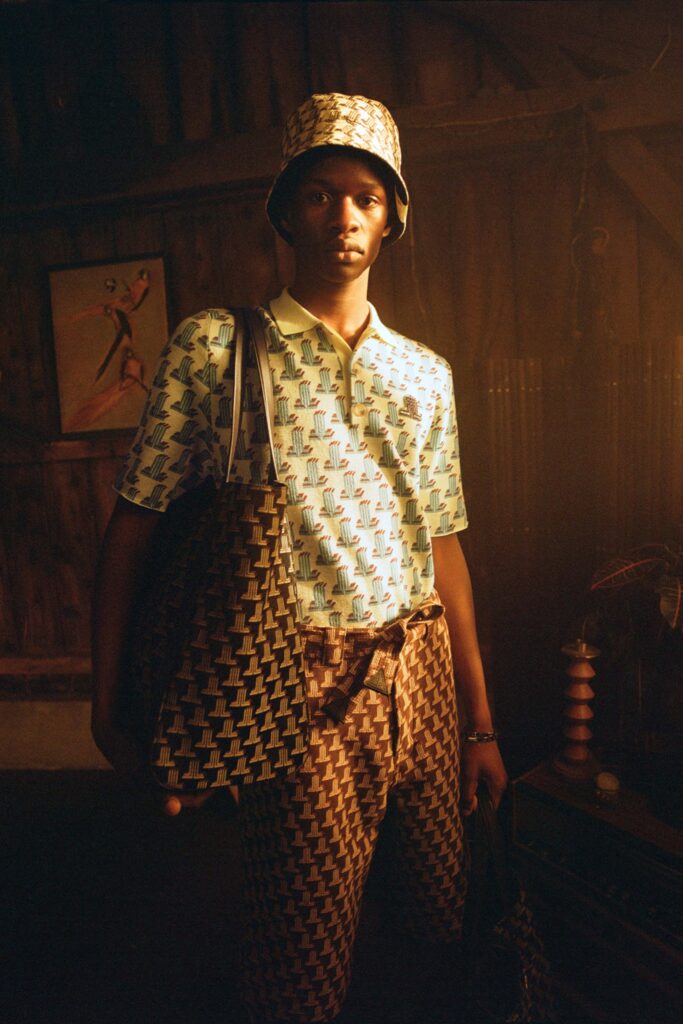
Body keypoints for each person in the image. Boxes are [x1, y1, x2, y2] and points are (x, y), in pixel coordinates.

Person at [91, 92, 508, 1024]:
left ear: (392, 217)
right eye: (319, 194)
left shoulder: (422, 374)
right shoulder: (218, 349)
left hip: (422, 669)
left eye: (366, 197)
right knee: (302, 950)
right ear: (284, 210)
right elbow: (133, 527)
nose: (343, 217)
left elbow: (441, 542)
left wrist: (479, 724)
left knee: (435, 913)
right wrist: (106, 699)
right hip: (300, 678)